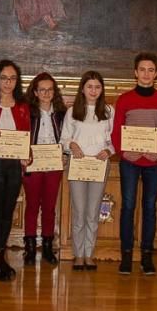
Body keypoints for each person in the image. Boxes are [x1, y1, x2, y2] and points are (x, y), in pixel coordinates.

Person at [111, 53, 157, 275]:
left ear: (156, 74)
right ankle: (126, 255)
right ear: (135, 72)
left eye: (151, 70)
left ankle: (147, 255)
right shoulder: (124, 99)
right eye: (142, 69)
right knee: (128, 206)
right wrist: (123, 152)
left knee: (149, 207)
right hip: (129, 161)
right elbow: (116, 131)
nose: (146, 74)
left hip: (153, 162)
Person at [0, 60, 31, 280]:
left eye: (12, 78)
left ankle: (0, 255)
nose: (8, 83)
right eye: (4, 78)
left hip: (13, 165)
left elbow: (26, 135)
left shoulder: (22, 106)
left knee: (7, 211)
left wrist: (27, 154)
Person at [62, 72, 115, 270]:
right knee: (79, 211)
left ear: (102, 90)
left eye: (97, 87)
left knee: (93, 212)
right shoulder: (72, 112)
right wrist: (72, 146)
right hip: (77, 165)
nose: (93, 91)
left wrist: (108, 150)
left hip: (99, 166)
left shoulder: (109, 111)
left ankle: (89, 254)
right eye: (89, 86)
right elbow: (64, 139)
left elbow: (114, 140)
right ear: (82, 89)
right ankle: (78, 255)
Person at [23, 73, 66, 266]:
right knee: (32, 205)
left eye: (50, 89)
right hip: (32, 163)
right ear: (35, 92)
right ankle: (30, 248)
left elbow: (67, 137)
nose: (46, 93)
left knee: (49, 206)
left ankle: (48, 247)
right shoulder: (27, 113)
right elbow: (21, 136)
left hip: (54, 165)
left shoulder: (61, 114)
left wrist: (65, 155)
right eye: (42, 89)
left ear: (54, 92)